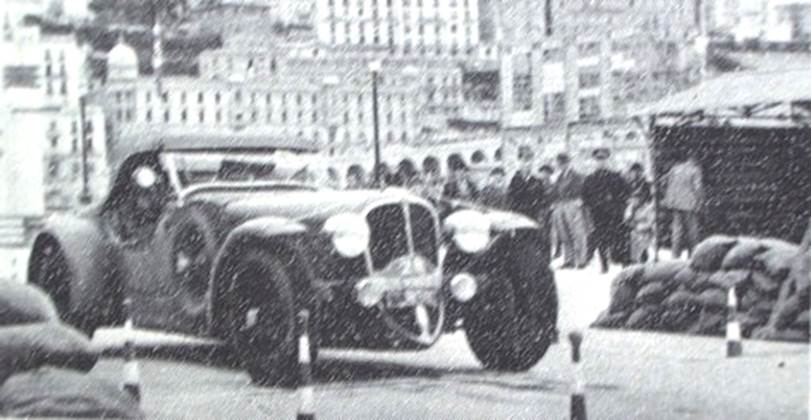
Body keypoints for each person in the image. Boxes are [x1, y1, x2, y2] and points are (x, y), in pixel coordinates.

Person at [582, 148, 631, 273]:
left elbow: (626, 193)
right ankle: (604, 265)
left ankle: (624, 263)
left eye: (603, 159)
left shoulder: (616, 176)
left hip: (615, 214)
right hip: (598, 214)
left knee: (620, 239)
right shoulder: (590, 179)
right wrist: (595, 204)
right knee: (601, 240)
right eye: (598, 159)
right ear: (594, 161)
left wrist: (618, 204)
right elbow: (585, 197)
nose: (601, 162)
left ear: (608, 160)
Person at [662, 151, 704, 259]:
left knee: (677, 230)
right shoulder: (695, 170)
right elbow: (697, 187)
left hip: (676, 203)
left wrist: (669, 199)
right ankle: (693, 254)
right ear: (695, 161)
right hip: (690, 203)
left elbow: (665, 182)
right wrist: (700, 201)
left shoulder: (675, 169)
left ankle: (675, 254)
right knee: (692, 230)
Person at [552, 152, 589, 269]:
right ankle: (569, 260)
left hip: (573, 205)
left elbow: (581, 191)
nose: (561, 166)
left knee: (578, 233)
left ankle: (581, 260)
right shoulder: (559, 177)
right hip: (561, 205)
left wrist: (580, 201)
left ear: (568, 163)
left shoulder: (577, 176)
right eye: (560, 163)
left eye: (563, 163)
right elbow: (556, 192)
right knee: (564, 234)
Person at [507, 146, 548, 220]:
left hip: (533, 217)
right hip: (519, 217)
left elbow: (542, 200)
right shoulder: (514, 181)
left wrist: (540, 213)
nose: (528, 164)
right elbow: (510, 200)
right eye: (524, 161)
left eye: (530, 161)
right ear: (519, 162)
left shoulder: (537, 181)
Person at [624, 190, 655, 263]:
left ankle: (643, 258)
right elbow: (626, 219)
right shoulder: (630, 208)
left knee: (642, 247)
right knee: (633, 248)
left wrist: (639, 226)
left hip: (645, 233)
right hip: (634, 233)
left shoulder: (648, 208)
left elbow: (651, 222)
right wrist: (630, 213)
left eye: (637, 199)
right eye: (634, 199)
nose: (635, 201)